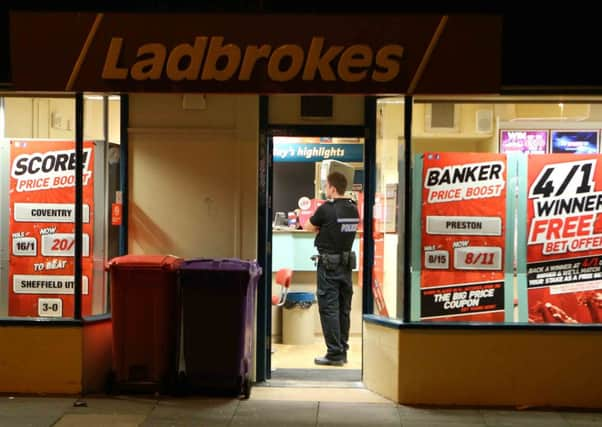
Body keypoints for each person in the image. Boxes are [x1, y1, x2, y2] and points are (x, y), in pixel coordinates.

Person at [303, 171, 360, 366]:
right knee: (344, 309)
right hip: (346, 265)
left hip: (329, 266)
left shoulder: (326, 209)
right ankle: (342, 350)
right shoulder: (354, 209)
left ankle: (334, 353)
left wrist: (322, 228)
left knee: (329, 309)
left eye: (326, 186)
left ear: (333, 188)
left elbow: (307, 226)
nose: (326, 189)